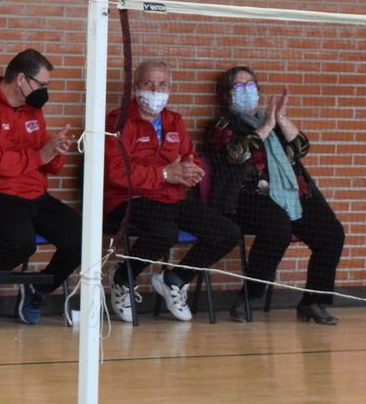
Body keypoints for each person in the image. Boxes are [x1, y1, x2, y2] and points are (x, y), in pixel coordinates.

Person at [203, 67, 347, 325]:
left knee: (332, 233)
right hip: (245, 198)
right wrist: (266, 126)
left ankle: (313, 301)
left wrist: (279, 118)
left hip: (291, 195)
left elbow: (302, 147)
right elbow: (237, 154)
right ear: (226, 95)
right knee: (278, 227)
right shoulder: (222, 125)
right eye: (239, 87)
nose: (247, 92)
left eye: (251, 86)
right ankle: (249, 296)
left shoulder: (272, 121)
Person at [102, 60, 240, 323]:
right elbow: (116, 173)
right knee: (165, 232)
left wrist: (192, 172)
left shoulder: (174, 121)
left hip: (170, 198)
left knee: (227, 232)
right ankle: (123, 278)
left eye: (162, 84)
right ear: (136, 86)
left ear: (170, 87)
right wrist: (165, 173)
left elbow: (190, 157)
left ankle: (175, 279)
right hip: (128, 200)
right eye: (148, 83)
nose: (155, 90)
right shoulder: (118, 120)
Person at [0, 49, 80, 328]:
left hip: (31, 194)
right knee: (22, 241)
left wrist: (55, 152)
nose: (45, 91)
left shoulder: (33, 109)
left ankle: (37, 290)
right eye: (42, 84)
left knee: (81, 237)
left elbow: (45, 162)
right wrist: (39, 157)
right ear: (21, 78)